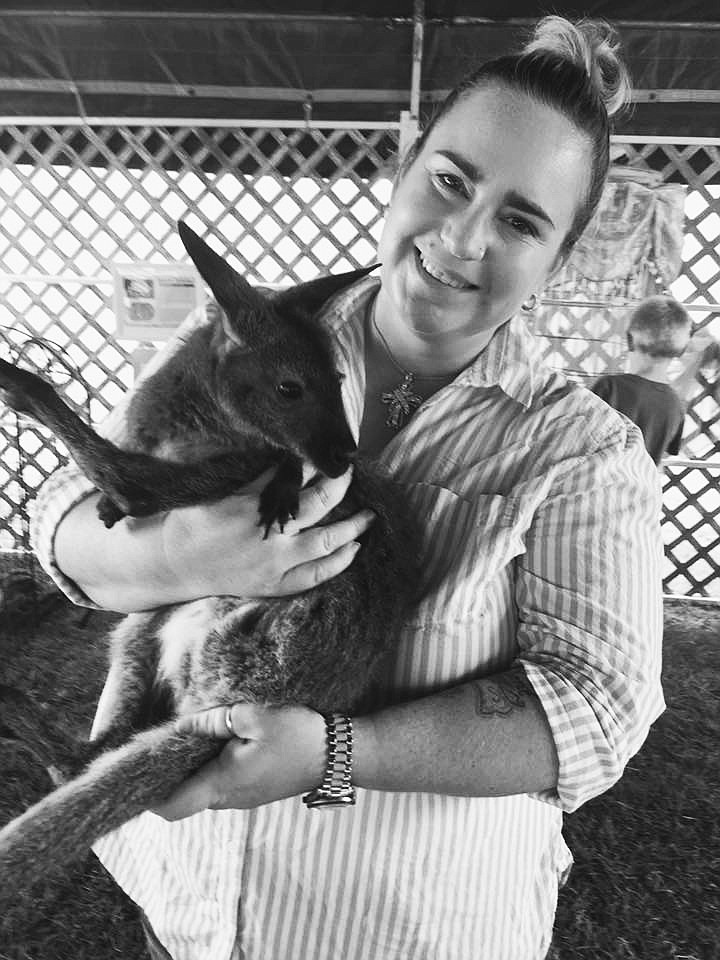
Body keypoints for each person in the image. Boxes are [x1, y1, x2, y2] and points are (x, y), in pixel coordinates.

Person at [30, 16, 666, 960]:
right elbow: (64, 523)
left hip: (397, 925)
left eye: (522, 219)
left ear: (559, 256)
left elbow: (596, 713)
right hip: (185, 892)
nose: (462, 238)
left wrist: (334, 753)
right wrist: (173, 554)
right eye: (450, 180)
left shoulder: (578, 448)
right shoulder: (250, 336)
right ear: (405, 166)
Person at [591, 294, 701, 465]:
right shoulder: (675, 406)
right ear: (680, 351)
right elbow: (663, 456)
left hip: (594, 487)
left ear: (629, 339)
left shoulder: (608, 388)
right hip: (641, 491)